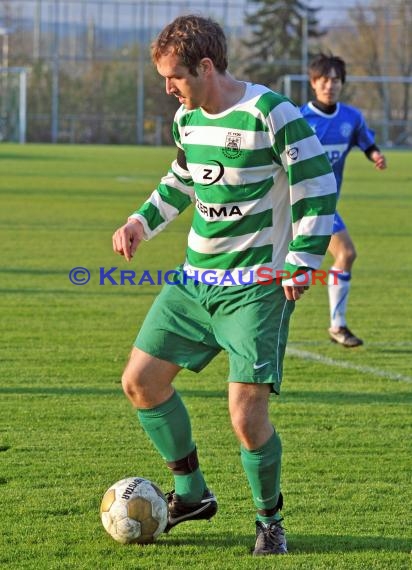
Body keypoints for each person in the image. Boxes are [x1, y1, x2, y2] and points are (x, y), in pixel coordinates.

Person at [112, 15, 336, 556]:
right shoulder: (186, 119)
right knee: (141, 382)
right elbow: (183, 177)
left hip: (255, 287)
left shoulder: (269, 112)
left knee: (245, 414)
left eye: (175, 77)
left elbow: (316, 185)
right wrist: (142, 221)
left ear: (206, 67)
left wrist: (303, 259)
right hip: (194, 281)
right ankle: (192, 495)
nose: (169, 89)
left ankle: (270, 522)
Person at [301, 53, 387, 348]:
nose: (330, 85)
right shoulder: (300, 119)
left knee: (344, 255)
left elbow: (366, 141)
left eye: (336, 80)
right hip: (298, 203)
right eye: (324, 80)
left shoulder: (351, 118)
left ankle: (337, 325)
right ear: (314, 83)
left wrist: (375, 155)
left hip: (325, 205)